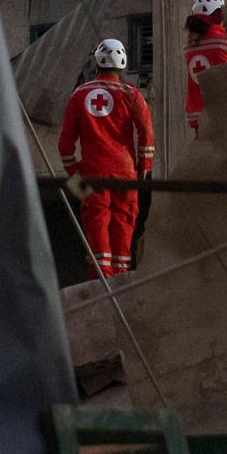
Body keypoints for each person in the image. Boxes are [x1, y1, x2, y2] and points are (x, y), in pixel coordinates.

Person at [58, 38, 155, 276]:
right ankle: (121, 277)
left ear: (97, 64)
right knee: (124, 220)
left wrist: (75, 177)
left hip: (91, 174)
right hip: (126, 173)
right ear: (122, 64)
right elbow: (146, 133)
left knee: (96, 220)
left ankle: (100, 277)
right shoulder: (132, 94)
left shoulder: (78, 95)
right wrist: (144, 168)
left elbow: (65, 146)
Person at [184, 0, 227, 132]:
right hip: (222, 113)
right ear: (217, 12)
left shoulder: (190, 43)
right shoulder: (222, 36)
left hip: (197, 116)